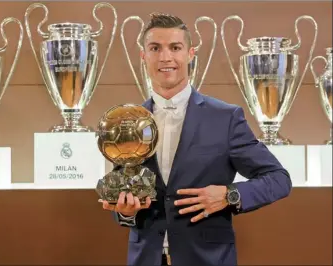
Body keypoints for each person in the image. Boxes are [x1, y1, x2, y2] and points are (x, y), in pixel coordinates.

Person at [102, 13, 292, 266]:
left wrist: (229, 195)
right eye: (155, 48)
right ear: (144, 56)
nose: (165, 57)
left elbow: (279, 179)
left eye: (175, 48)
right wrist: (126, 212)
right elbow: (125, 199)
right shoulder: (127, 122)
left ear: (190, 54)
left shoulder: (225, 118)